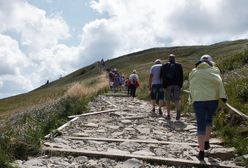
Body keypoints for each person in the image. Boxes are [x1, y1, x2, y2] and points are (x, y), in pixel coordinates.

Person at [189, 54, 227, 161]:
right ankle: (206, 141)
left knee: (200, 124)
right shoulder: (214, 70)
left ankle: (201, 152)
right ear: (211, 62)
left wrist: (191, 98)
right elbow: (219, 83)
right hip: (212, 100)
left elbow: (191, 86)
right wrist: (223, 96)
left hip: (198, 100)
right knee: (209, 119)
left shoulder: (194, 72)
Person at [160, 54, 183, 120]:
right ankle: (178, 110)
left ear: (169, 59)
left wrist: (164, 85)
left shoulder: (164, 66)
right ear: (174, 59)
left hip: (168, 85)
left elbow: (162, 76)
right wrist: (180, 85)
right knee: (177, 99)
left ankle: (168, 115)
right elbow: (181, 76)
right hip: (177, 84)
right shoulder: (179, 65)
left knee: (168, 100)